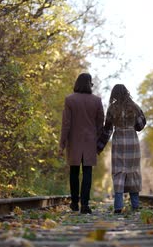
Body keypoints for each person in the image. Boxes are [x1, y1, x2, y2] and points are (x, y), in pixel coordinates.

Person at [60, 73, 104, 214]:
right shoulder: (97, 101)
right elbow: (100, 123)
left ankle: (74, 203)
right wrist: (97, 141)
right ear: (90, 84)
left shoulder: (70, 100)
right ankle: (85, 205)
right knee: (87, 172)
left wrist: (62, 144)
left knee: (73, 172)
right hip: (90, 141)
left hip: (74, 141)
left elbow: (66, 124)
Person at [97, 84, 146, 213]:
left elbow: (107, 130)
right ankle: (135, 206)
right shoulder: (135, 107)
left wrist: (99, 147)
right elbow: (141, 125)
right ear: (126, 92)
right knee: (133, 171)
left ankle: (118, 207)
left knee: (118, 172)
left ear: (114, 94)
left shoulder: (112, 108)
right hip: (132, 142)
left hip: (118, 142)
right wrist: (132, 124)